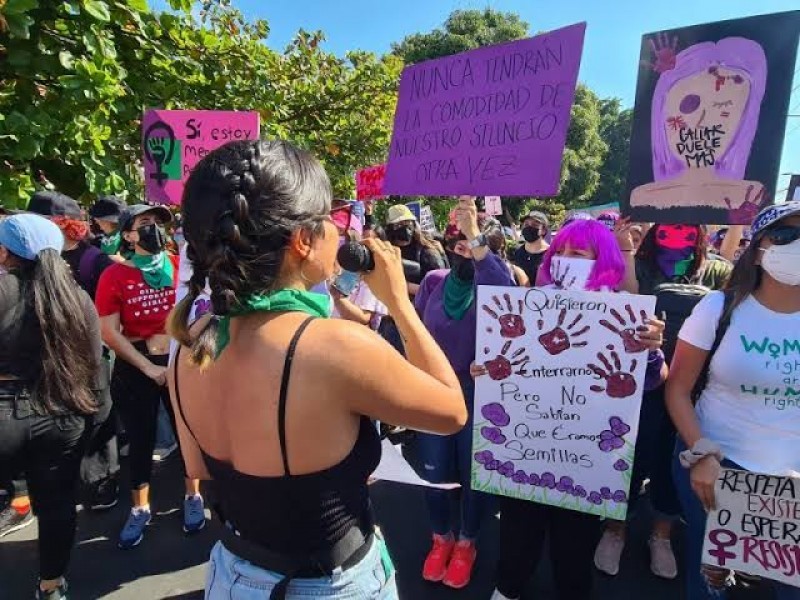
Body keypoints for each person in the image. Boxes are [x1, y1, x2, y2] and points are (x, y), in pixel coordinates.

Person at [168, 140, 466, 600]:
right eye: (330, 217)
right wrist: (401, 306)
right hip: (328, 583)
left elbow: (196, 466)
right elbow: (452, 411)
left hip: (232, 573)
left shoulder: (192, 340)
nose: (339, 230)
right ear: (303, 240)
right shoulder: (333, 345)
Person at [486, 218, 667, 600]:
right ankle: (508, 588)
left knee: (575, 545)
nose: (566, 259)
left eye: (579, 254)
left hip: (584, 459)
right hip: (527, 445)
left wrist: (649, 350)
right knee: (518, 532)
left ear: (601, 261)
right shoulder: (530, 304)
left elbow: (654, 380)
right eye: (561, 252)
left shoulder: (625, 313)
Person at [667, 201, 800, 600]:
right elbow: (677, 388)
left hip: (792, 482)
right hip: (720, 468)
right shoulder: (718, 308)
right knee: (713, 584)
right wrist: (702, 453)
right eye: (786, 235)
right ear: (759, 247)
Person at [594, 222, 734, 580]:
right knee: (628, 457)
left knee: (675, 463)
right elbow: (628, 302)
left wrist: (736, 224)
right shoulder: (641, 263)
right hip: (640, 380)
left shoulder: (717, 269)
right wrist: (624, 248)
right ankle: (615, 528)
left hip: (695, 383)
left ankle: (662, 534)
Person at [414, 197, 515, 590]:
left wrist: (475, 232)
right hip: (435, 389)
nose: (462, 246)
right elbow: (417, 332)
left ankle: (468, 542)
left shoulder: (498, 278)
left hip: (480, 391)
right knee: (434, 473)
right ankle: (441, 538)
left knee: (476, 475)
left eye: (470, 241)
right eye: (456, 237)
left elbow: (507, 297)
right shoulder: (433, 281)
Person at [0, 213, 102, 600]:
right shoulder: (77, 299)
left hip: (6, 414)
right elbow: (94, 370)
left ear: (6, 252)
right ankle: (51, 585)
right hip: (62, 415)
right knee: (58, 505)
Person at [95, 204, 205, 549]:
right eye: (144, 223)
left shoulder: (179, 268)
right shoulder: (114, 276)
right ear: (127, 234)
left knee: (188, 434)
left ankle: (193, 497)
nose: (154, 228)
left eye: (158, 222)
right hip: (135, 367)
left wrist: (181, 359)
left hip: (178, 362)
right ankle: (140, 508)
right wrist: (147, 367)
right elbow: (108, 332)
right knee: (141, 440)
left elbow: (198, 312)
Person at [26, 191, 120, 512]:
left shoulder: (95, 261)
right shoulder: (28, 262)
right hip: (48, 360)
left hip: (90, 357)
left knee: (97, 418)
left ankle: (102, 483)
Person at [28, 190, 114, 299]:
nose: (29, 227)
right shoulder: (29, 256)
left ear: (61, 223)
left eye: (35, 222)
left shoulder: (97, 262)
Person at [511, 210, 549, 284]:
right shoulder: (517, 252)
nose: (529, 228)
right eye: (526, 225)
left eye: (535, 225)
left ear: (543, 230)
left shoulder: (551, 254)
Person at [89, 195, 128, 260]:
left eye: (98, 220)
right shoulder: (109, 236)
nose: (96, 222)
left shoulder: (124, 238)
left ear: (106, 221)